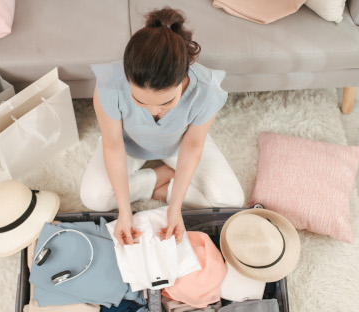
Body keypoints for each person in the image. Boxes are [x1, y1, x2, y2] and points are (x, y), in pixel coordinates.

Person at [80, 7, 244, 246]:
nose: (153, 111)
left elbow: (194, 144)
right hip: (128, 146)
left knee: (231, 201)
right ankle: (159, 177)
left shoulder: (206, 90)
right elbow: (112, 144)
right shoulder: (109, 83)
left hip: (180, 146)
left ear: (184, 77)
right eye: (139, 101)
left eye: (166, 102)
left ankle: (161, 190)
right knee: (93, 199)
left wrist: (174, 208)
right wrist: (124, 212)